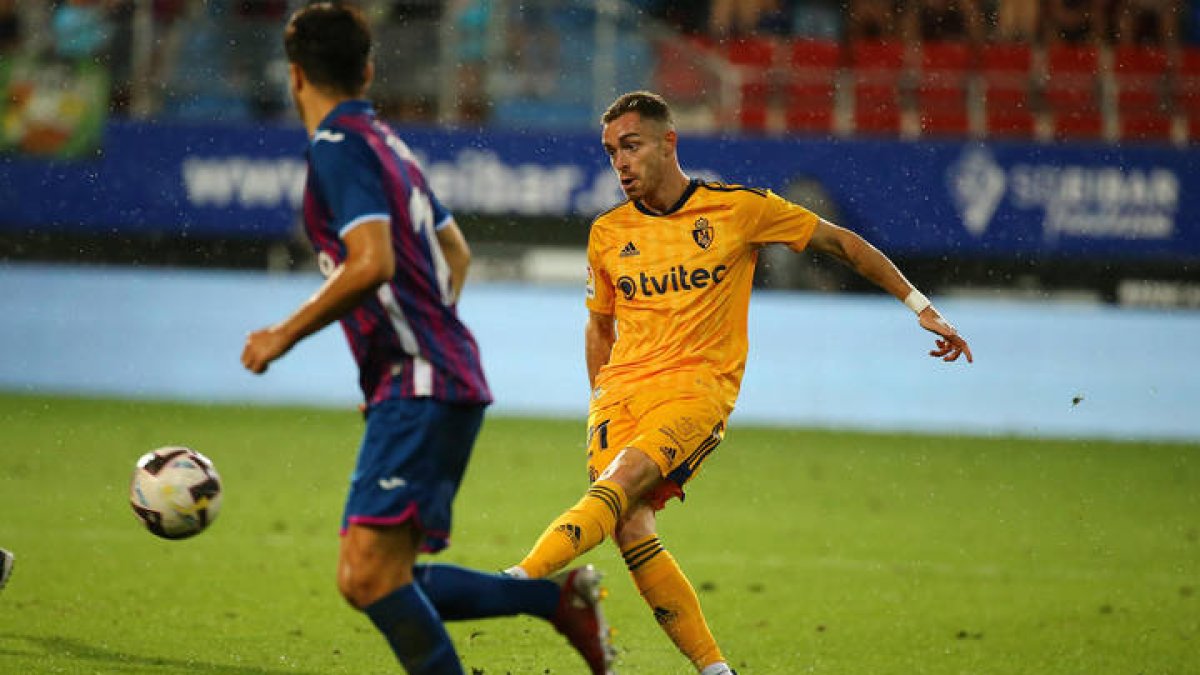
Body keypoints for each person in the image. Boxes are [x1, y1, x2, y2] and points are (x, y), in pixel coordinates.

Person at [503, 90, 973, 675]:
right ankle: (715, 669)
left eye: (631, 146)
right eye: (610, 152)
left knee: (623, 485)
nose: (619, 162)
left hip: (695, 393)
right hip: (620, 396)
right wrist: (600, 400)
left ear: (668, 143)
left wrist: (919, 305)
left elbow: (841, 243)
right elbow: (599, 325)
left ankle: (516, 582)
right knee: (628, 527)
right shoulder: (608, 232)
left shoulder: (739, 210)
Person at [240, 5, 614, 674]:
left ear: (295, 76)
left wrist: (283, 334)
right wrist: (416, 349)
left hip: (422, 378)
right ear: (369, 70)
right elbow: (456, 251)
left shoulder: (337, 148)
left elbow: (372, 261)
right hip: (427, 375)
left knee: (370, 577)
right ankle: (555, 598)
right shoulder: (388, 143)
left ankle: (553, 601)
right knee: (379, 575)